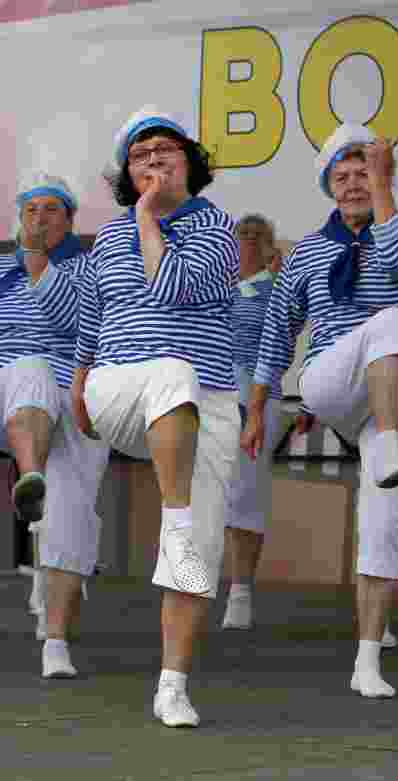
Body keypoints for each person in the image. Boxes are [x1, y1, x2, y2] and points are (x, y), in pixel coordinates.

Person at [242, 121, 398, 699]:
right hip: (330, 380)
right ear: (328, 186)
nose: (354, 185)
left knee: (387, 519)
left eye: (363, 174)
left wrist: (383, 188)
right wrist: (256, 411)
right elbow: (276, 335)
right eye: (343, 177)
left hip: (395, 392)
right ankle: (392, 442)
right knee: (393, 320)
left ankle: (367, 659)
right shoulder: (305, 255)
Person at [70, 106, 240, 727]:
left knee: (200, 547)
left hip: (207, 398)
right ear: (127, 174)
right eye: (140, 157)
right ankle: (173, 516)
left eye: (165, 151)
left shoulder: (217, 228)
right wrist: (79, 378)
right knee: (171, 369)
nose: (152, 162)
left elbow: (174, 287)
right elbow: (92, 312)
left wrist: (149, 222)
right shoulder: (112, 235)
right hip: (121, 384)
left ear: (190, 164)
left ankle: (172, 685)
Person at [0, 172, 110, 678]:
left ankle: (57, 642)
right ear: (18, 219)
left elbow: (75, 323)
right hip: (14, 391)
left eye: (50, 210)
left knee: (74, 516)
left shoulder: (92, 268)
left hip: (80, 395)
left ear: (69, 220)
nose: (38, 218)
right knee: (32, 370)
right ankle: (31, 476)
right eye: (30, 210)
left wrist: (39, 264)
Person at [221, 214, 281, 630]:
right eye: (240, 234)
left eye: (255, 236)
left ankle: (241, 591)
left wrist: (255, 408)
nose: (246, 241)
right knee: (203, 498)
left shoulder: (275, 292)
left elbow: (277, 351)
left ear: (268, 248)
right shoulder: (213, 291)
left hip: (254, 398)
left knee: (246, 495)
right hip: (211, 397)